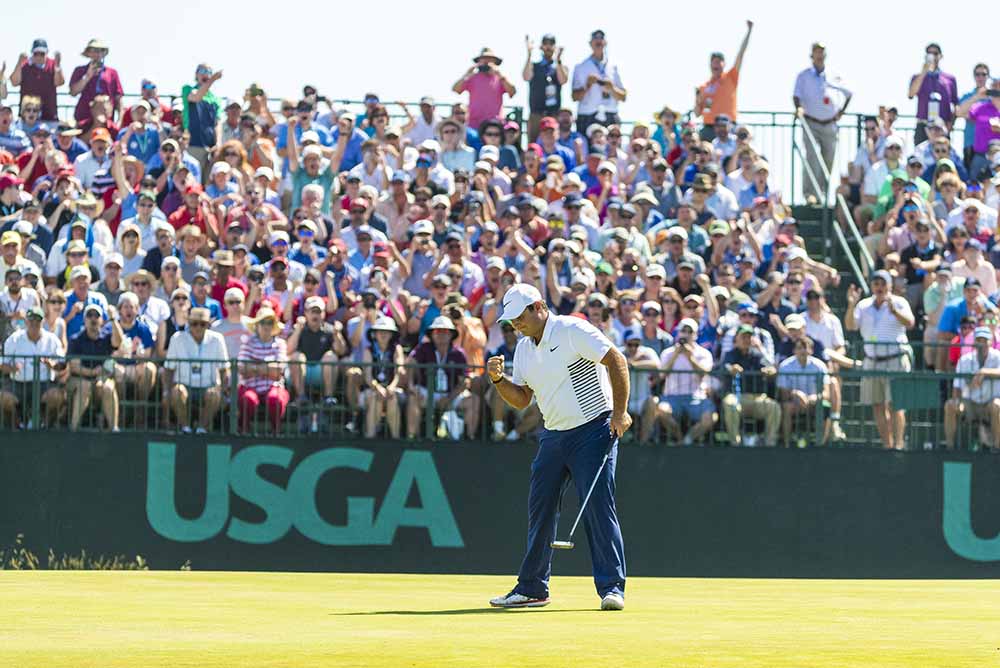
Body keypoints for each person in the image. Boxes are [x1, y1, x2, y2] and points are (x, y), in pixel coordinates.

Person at [486, 283, 628, 611]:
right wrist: (499, 380)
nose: (515, 325)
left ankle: (612, 588)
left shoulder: (571, 329)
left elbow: (616, 360)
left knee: (597, 507)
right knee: (541, 509)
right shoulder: (523, 349)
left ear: (538, 307)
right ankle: (533, 588)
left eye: (519, 317)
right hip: (553, 435)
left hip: (593, 429)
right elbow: (522, 399)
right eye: (511, 321)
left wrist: (619, 412)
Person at [844, 271, 915, 451]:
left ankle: (898, 444)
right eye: (876, 283)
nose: (880, 287)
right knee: (877, 405)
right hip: (872, 361)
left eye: (883, 284)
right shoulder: (863, 305)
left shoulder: (899, 302)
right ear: (872, 286)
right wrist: (851, 305)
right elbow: (851, 326)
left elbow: (910, 323)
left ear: (890, 285)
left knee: (896, 404)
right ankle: (887, 445)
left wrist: (895, 312)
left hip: (895, 359)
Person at [793, 43, 852, 203]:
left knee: (828, 160)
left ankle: (822, 194)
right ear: (811, 55)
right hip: (811, 122)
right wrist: (799, 109)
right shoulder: (803, 76)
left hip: (830, 124)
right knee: (812, 157)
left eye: (822, 52)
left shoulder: (834, 75)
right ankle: (810, 194)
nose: (819, 56)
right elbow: (796, 96)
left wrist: (840, 112)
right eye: (816, 52)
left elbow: (848, 93)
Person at [406, 315, 479, 440]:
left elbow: (465, 382)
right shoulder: (423, 348)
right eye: (437, 331)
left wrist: (449, 399)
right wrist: (412, 387)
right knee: (413, 399)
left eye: (445, 331)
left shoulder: (459, 353)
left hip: (451, 394)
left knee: (473, 400)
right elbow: (409, 365)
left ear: (451, 334)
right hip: (426, 392)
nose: (441, 334)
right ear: (432, 334)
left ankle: (469, 437)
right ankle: (413, 437)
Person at [162, 307, 229, 434]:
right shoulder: (177, 338)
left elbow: (224, 369)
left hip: (208, 386)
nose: (198, 327)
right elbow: (168, 369)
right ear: (188, 323)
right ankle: (185, 427)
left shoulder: (217, 339)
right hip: (183, 385)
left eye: (202, 324)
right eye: (194, 324)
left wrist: (223, 389)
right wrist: (166, 391)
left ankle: (201, 428)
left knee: (215, 394)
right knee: (177, 392)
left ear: (208, 325)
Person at [0, 305, 65, 427]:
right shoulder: (14, 339)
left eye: (38, 320)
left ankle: (43, 425)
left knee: (57, 397)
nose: (34, 323)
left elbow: (62, 364)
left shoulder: (52, 339)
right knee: (4, 398)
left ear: (43, 321)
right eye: (31, 320)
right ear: (26, 321)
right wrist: (12, 369)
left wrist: (52, 364)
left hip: (44, 383)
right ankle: (18, 426)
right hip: (17, 383)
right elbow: (2, 364)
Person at [719, 323, 780, 447]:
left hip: (757, 398)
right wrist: (731, 368)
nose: (746, 340)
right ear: (736, 338)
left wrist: (769, 371)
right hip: (737, 397)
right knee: (730, 404)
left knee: (774, 407)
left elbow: (769, 368)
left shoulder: (757, 355)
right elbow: (725, 367)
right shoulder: (730, 354)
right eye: (743, 337)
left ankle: (769, 443)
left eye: (749, 337)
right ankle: (736, 444)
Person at [67, 302, 122, 431]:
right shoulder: (75, 339)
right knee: (84, 386)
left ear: (102, 320)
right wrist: (92, 373)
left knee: (108, 387)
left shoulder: (107, 337)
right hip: (77, 380)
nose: (93, 319)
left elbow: (118, 342)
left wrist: (113, 319)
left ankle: (114, 428)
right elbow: (74, 367)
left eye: (96, 316)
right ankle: (73, 428)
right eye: (89, 315)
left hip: (100, 380)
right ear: (84, 320)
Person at [695, 21, 753, 140]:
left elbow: (740, 55)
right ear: (710, 64)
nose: (716, 64)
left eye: (719, 61)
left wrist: (749, 32)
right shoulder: (703, 87)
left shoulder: (730, 78)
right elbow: (697, 113)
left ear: (724, 64)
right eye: (714, 61)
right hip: (709, 129)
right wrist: (697, 99)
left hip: (728, 127)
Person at [237, 306, 289, 434]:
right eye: (263, 322)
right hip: (249, 386)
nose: (266, 326)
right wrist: (267, 368)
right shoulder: (248, 342)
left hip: (274, 386)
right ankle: (244, 430)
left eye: (270, 322)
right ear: (257, 325)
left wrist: (254, 366)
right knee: (248, 399)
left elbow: (279, 370)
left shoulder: (280, 344)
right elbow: (242, 368)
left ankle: (275, 432)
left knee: (275, 399)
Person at [287, 296, 341, 407]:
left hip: (321, 373)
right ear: (306, 313)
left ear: (324, 313)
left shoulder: (330, 330)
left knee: (331, 357)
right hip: (301, 372)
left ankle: (328, 398)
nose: (315, 315)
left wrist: (337, 335)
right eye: (312, 311)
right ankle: (301, 397)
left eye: (318, 311)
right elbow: (289, 350)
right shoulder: (298, 328)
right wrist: (297, 330)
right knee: (296, 356)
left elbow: (341, 351)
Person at [777, 335, 830, 447]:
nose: (803, 351)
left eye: (805, 347)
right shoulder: (785, 366)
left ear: (811, 350)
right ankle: (787, 444)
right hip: (794, 403)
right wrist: (796, 394)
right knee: (786, 407)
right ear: (794, 350)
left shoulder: (820, 366)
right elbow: (783, 394)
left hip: (814, 403)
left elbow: (826, 393)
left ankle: (820, 445)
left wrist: (813, 398)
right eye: (799, 348)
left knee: (825, 407)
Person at [571, 30, 626, 135]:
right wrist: (588, 85)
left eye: (601, 39)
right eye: (595, 40)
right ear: (590, 43)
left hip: (610, 114)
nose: (598, 42)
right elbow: (574, 97)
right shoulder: (580, 67)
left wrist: (612, 88)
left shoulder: (614, 67)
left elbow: (623, 97)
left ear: (605, 43)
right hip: (587, 115)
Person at [360, 316, 406, 439]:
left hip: (393, 389)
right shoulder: (368, 350)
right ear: (375, 334)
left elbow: (399, 370)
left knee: (392, 398)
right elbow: (368, 375)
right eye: (380, 331)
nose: (383, 334)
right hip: (372, 389)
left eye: (387, 331)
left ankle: (396, 438)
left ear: (392, 334)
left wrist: (392, 386)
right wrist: (377, 387)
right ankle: (370, 436)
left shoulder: (396, 349)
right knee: (376, 397)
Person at [453, 48, 516, 132]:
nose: (487, 62)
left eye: (490, 59)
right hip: (474, 124)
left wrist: (501, 76)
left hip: (494, 125)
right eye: (484, 59)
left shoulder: (500, 79)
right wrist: (466, 75)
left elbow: (512, 92)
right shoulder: (472, 77)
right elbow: (456, 90)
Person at [907, 43, 959, 145]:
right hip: (923, 125)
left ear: (941, 56)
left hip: (942, 126)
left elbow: (956, 104)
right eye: (929, 53)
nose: (932, 56)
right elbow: (911, 94)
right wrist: (924, 72)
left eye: (935, 53)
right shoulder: (917, 77)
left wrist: (951, 124)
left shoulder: (950, 79)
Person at [523, 34, 568, 141]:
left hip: (553, 114)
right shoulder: (534, 66)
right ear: (541, 47)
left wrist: (558, 60)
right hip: (536, 114)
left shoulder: (559, 67)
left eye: (551, 44)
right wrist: (529, 54)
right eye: (545, 44)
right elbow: (526, 76)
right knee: (534, 144)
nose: (548, 47)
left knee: (553, 143)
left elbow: (563, 80)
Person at [181, 64, 223, 178]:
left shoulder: (215, 99)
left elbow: (217, 123)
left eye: (209, 71)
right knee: (192, 179)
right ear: (196, 74)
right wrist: (212, 80)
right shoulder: (188, 89)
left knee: (207, 181)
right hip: (193, 144)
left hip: (209, 147)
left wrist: (218, 144)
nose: (206, 74)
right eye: (202, 71)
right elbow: (196, 97)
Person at [68, 39, 122, 127]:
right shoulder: (80, 70)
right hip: (84, 117)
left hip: (106, 119)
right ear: (88, 53)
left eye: (100, 50)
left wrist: (119, 120)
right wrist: (87, 76)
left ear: (104, 53)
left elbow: (118, 98)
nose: (96, 54)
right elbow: (73, 92)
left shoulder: (112, 73)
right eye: (93, 50)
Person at [9, 39, 65, 123]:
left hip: (49, 116)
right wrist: (19, 63)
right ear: (32, 53)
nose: (39, 57)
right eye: (36, 54)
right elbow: (14, 82)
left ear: (46, 53)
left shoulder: (53, 64)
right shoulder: (24, 65)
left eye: (42, 54)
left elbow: (59, 83)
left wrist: (58, 65)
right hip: (27, 116)